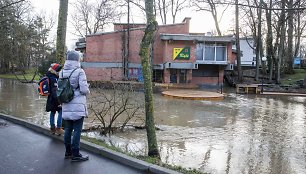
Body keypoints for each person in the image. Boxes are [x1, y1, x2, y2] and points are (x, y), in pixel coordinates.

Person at [60, 50, 90, 162]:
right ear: (77, 59)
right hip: (77, 105)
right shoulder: (80, 71)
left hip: (66, 103)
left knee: (68, 129)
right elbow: (83, 89)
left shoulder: (62, 72)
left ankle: (68, 152)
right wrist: (88, 89)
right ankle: (76, 154)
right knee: (77, 130)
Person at [46, 63, 64, 135]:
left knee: (52, 112)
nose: (60, 71)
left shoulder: (50, 76)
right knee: (61, 111)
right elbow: (54, 90)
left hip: (50, 98)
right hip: (55, 98)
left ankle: (52, 128)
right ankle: (58, 128)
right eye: (59, 70)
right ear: (55, 70)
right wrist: (58, 101)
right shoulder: (53, 78)